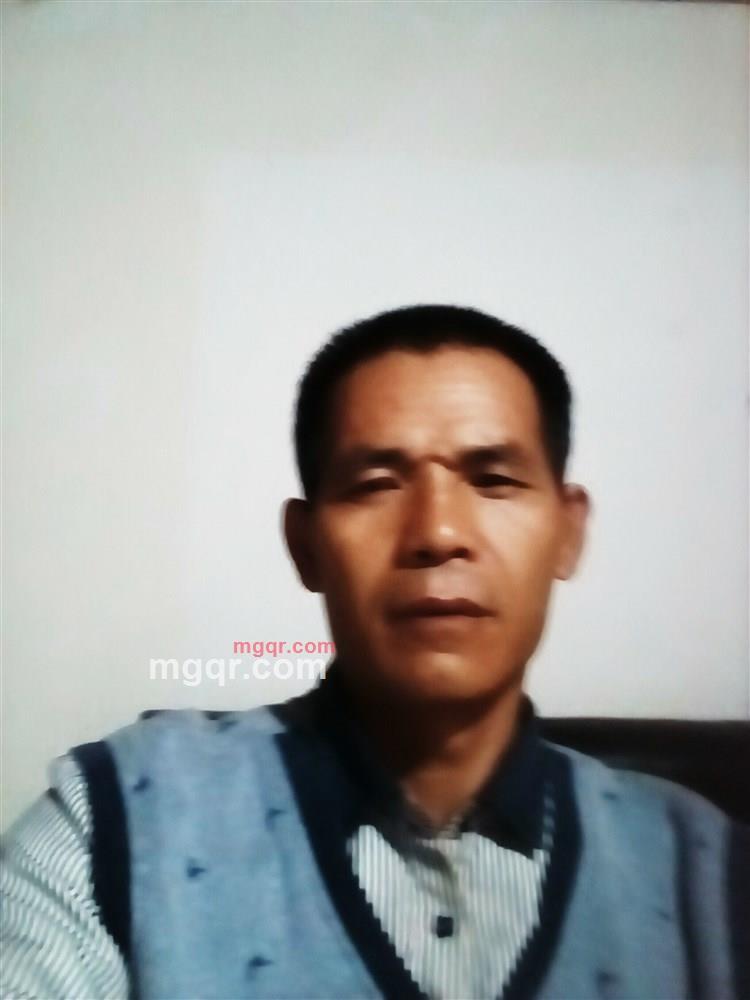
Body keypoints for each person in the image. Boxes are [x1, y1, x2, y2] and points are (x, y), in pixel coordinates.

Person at [1, 304, 746, 1000]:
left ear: (568, 531)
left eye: (493, 480)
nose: (438, 532)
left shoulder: (708, 874)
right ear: (305, 546)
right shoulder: (117, 825)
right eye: (376, 484)